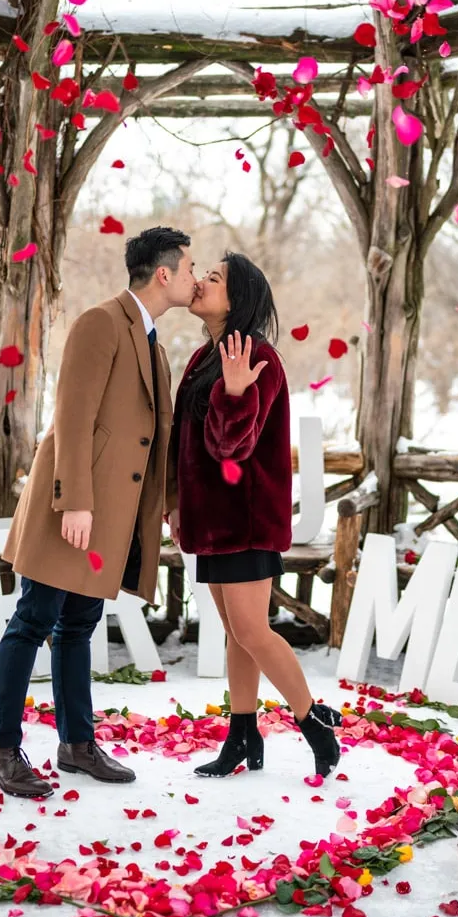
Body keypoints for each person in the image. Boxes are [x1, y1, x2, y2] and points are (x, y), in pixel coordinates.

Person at [0, 226, 197, 797]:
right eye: (191, 268)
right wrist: (74, 500)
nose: (197, 278)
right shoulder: (102, 323)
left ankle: (77, 745)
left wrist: (169, 505)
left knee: (78, 627)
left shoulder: (151, 344)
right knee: (32, 621)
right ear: (164, 274)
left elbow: (157, 437)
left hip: (110, 518)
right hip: (72, 509)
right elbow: (72, 418)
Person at [167, 253, 342, 779]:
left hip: (245, 520)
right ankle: (242, 735)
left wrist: (236, 391)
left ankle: (313, 721)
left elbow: (229, 448)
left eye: (213, 279)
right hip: (214, 522)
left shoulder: (258, 358)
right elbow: (189, 445)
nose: (199, 283)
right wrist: (177, 502)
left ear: (236, 299)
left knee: (252, 631)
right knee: (236, 632)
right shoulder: (206, 356)